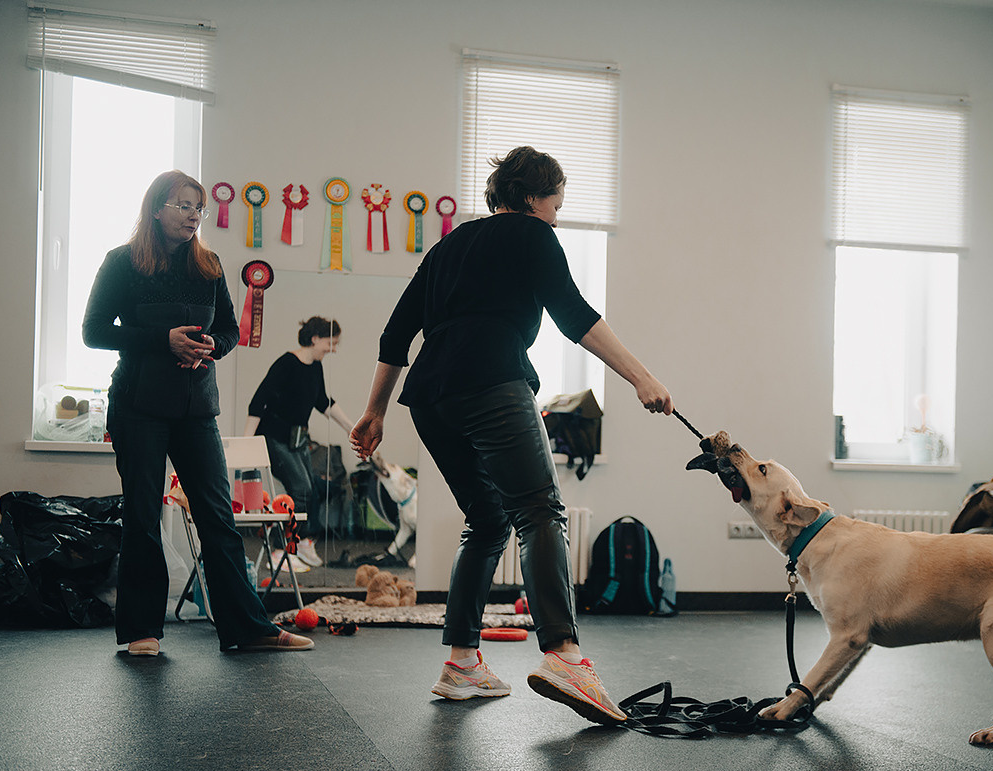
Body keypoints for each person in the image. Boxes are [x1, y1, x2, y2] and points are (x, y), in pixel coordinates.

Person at [350, 146, 673, 725]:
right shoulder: (532, 234)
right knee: (540, 510)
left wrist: (375, 412)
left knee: (489, 518)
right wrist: (641, 377)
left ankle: (461, 663)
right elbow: (573, 314)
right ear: (530, 198)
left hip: (430, 400)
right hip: (492, 382)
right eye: (556, 205)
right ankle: (564, 655)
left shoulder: (448, 245)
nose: (557, 218)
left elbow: (396, 334)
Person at [83, 170, 312, 655]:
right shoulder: (122, 262)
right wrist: (162, 340)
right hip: (138, 407)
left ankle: (248, 628)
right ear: (156, 209)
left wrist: (211, 347)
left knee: (217, 517)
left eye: (198, 208)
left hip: (197, 409)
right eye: (183, 205)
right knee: (143, 516)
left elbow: (229, 330)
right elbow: (94, 331)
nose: (193, 216)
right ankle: (142, 630)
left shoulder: (208, 265)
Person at [245, 316, 357, 567]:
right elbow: (258, 402)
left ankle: (303, 542)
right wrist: (247, 445)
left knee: (312, 490)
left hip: (297, 439)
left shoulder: (315, 367)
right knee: (301, 490)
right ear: (315, 339)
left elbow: (322, 401)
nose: (333, 349)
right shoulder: (286, 364)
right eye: (331, 343)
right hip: (274, 438)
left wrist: (351, 427)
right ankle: (279, 550)